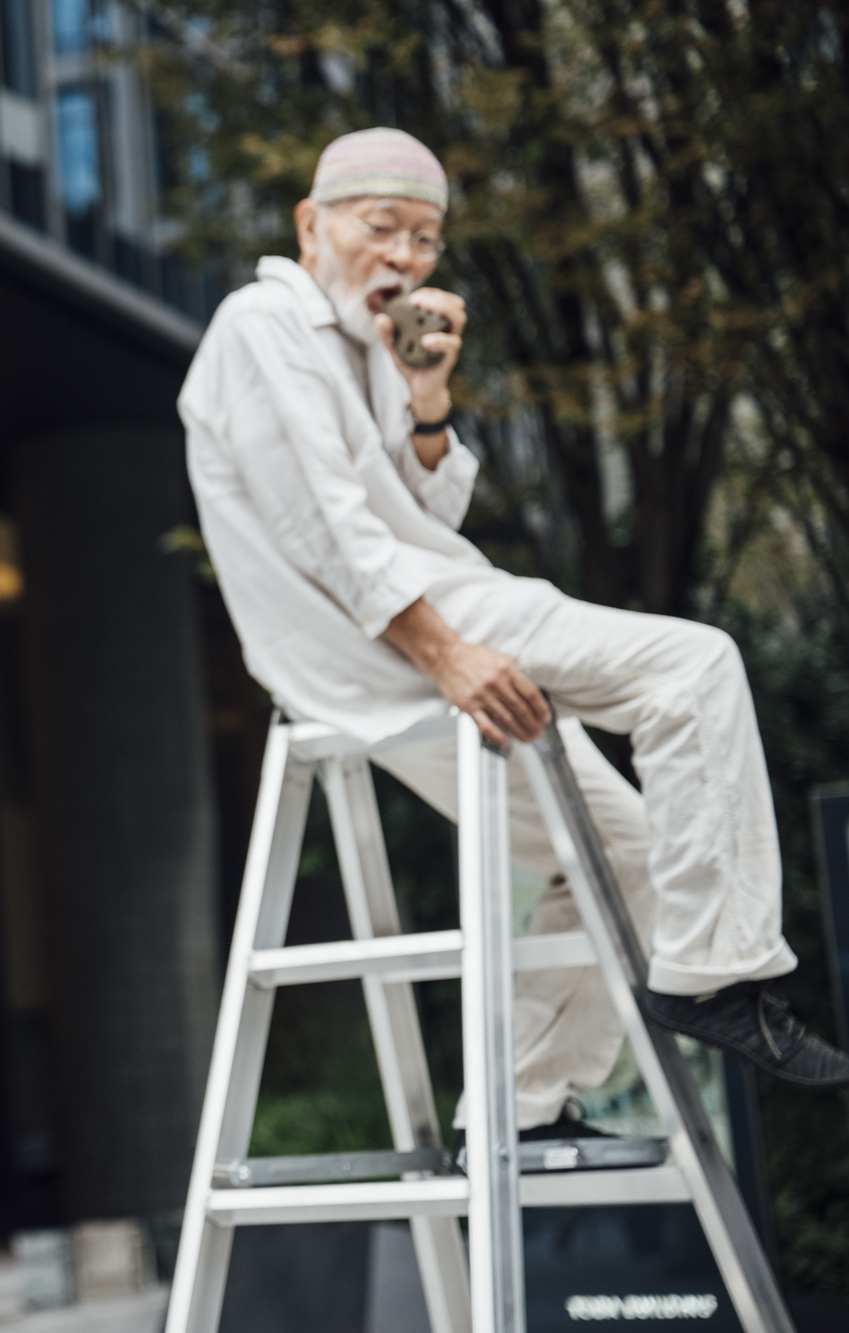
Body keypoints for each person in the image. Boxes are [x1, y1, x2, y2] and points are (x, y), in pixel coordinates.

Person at [178, 127, 849, 1138]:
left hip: (407, 624)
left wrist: (425, 397)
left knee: (623, 858)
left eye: (426, 239)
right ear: (310, 224)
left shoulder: (359, 348)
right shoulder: (259, 325)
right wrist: (446, 654)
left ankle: (517, 1106)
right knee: (692, 664)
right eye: (382, 229)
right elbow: (325, 532)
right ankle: (714, 980)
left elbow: (417, 513)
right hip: (408, 630)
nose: (406, 258)